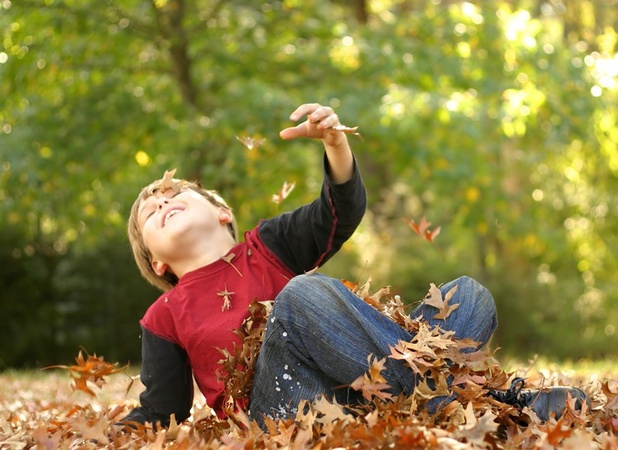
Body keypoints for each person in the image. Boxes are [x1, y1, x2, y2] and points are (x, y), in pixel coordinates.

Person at [121, 102, 589, 428]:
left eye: (174, 193)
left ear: (221, 212)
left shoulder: (267, 245)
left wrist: (335, 147)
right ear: (157, 260)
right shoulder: (165, 316)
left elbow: (338, 213)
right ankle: (475, 403)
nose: (163, 202)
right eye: (150, 212)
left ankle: (430, 404)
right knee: (301, 293)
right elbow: (161, 413)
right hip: (288, 413)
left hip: (361, 391)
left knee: (466, 294)